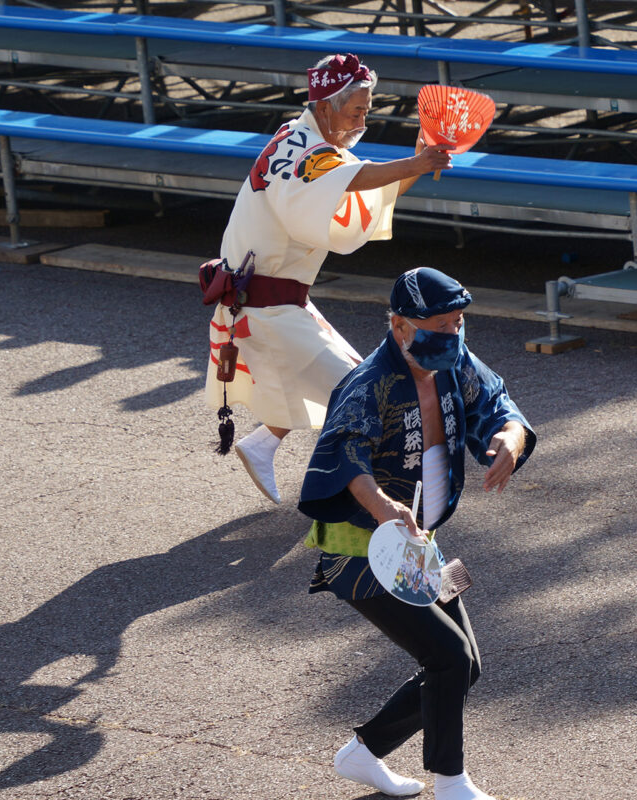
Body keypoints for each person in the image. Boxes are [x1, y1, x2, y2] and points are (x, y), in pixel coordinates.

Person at [298, 268, 536, 800]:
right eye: (441, 324)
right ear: (400, 325)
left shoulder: (453, 361)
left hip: (419, 542)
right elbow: (345, 452)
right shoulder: (368, 383)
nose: (454, 333)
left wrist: (510, 440)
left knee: (465, 665)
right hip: (360, 547)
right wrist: (382, 506)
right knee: (447, 657)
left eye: (458, 322)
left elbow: (499, 404)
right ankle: (451, 782)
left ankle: (363, 753)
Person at [206, 53, 452, 503]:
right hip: (267, 306)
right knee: (364, 390)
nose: (363, 119)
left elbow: (359, 188)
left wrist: (415, 163)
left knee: (346, 382)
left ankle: (263, 445)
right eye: (357, 109)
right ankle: (354, 496)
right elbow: (350, 179)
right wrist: (414, 163)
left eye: (366, 109)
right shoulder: (310, 153)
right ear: (324, 106)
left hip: (270, 302)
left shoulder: (299, 140)